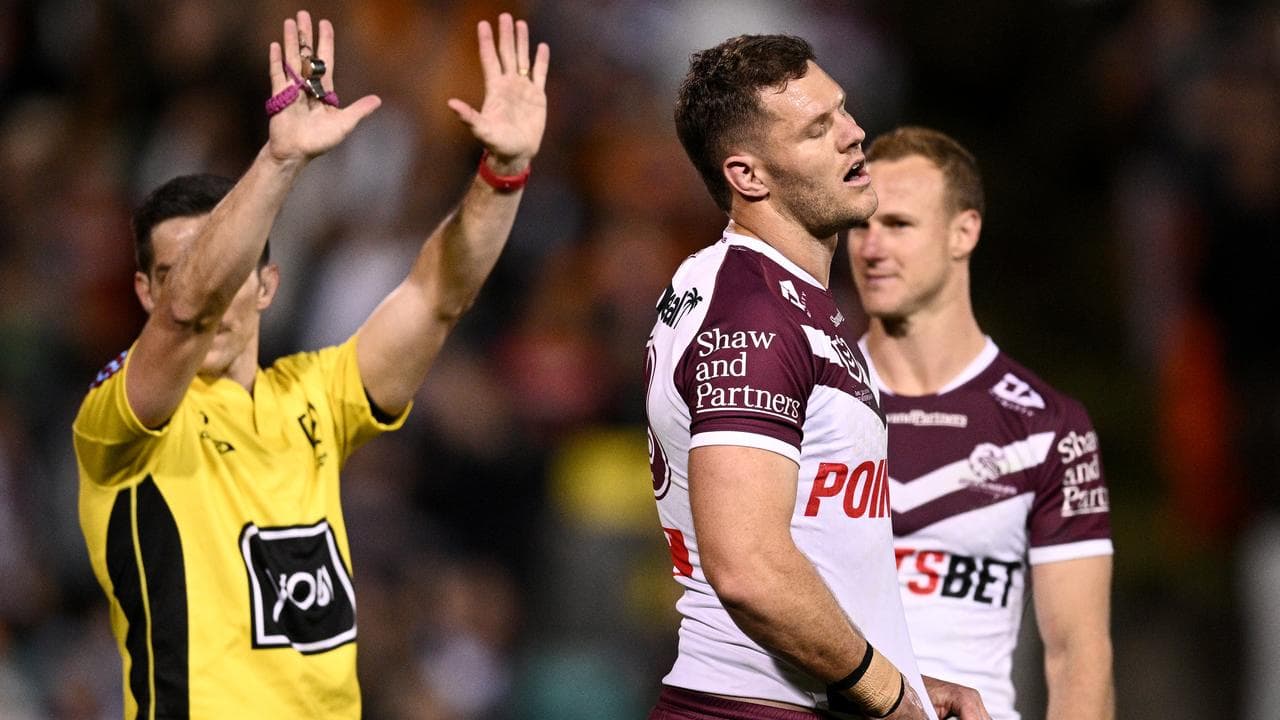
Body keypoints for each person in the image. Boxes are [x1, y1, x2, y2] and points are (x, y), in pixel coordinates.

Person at [72, 9, 548, 717]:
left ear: (268, 284)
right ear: (145, 292)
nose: (210, 287)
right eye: (177, 271)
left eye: (231, 267)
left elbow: (437, 295)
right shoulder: (119, 421)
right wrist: (280, 161)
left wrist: (503, 173)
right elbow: (188, 314)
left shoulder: (314, 395)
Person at [645, 35, 987, 720]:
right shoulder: (755, 314)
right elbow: (749, 568)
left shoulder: (764, 292)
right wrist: (889, 696)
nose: (854, 134)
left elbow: (819, 544)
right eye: (816, 129)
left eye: (843, 110)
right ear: (748, 176)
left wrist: (904, 673)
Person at [846, 126, 1115, 720]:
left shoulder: (1048, 426)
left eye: (899, 224)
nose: (871, 248)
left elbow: (1077, 654)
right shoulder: (811, 400)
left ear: (963, 232)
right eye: (860, 225)